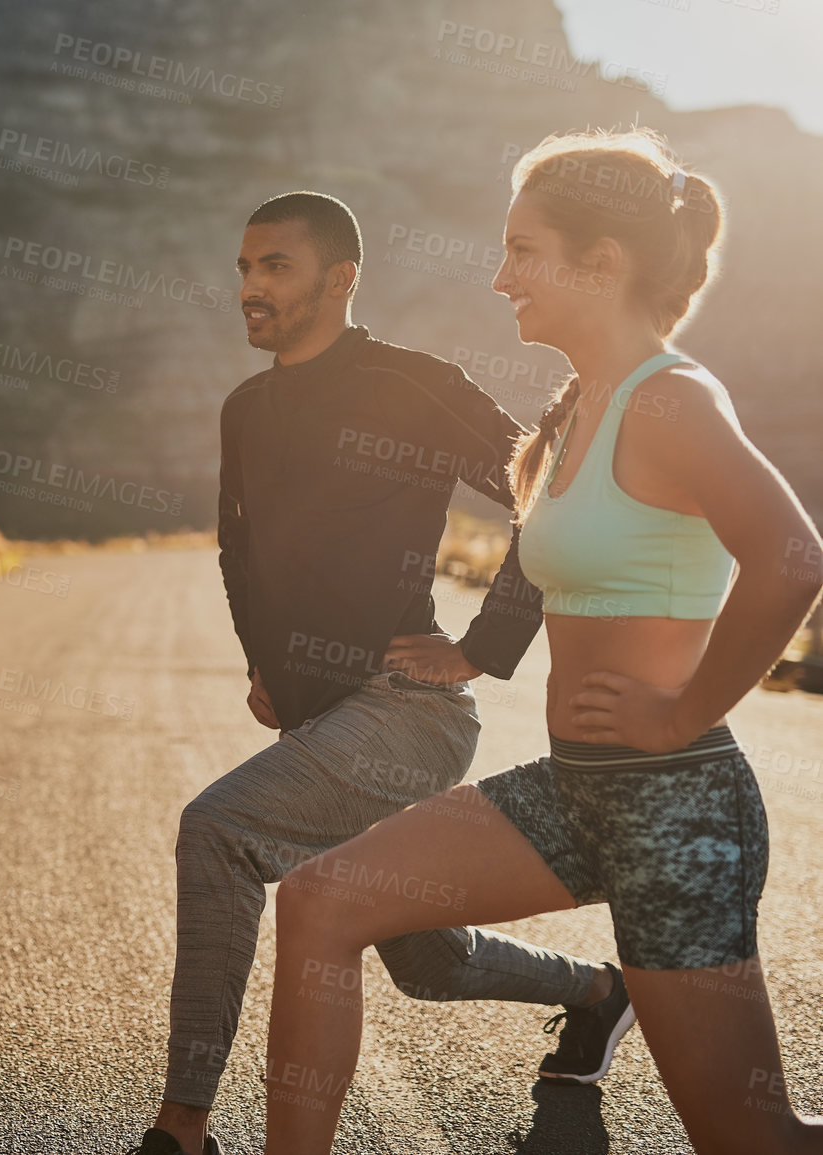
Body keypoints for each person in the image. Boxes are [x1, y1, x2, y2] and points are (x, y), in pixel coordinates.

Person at [265, 129, 823, 1154]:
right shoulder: (581, 407)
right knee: (319, 902)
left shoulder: (671, 398)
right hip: (575, 790)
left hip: (676, 805)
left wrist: (685, 710)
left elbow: (792, 554)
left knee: (750, 1137)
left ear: (600, 263)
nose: (499, 276)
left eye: (524, 251)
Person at [124, 191, 630, 1155]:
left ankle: (180, 1127)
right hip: (317, 720)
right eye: (242, 268)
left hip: (408, 712)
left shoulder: (412, 384)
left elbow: (546, 492)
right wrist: (261, 664)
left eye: (273, 266)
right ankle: (598, 992)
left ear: (340, 278)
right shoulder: (247, 407)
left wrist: (481, 646)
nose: (248, 288)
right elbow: (238, 550)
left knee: (219, 830)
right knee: (423, 956)